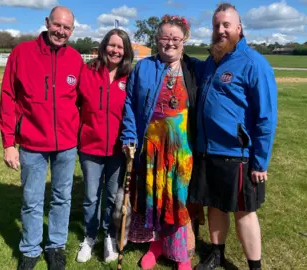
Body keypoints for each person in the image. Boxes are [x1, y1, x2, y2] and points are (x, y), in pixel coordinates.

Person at [188, 3, 278, 270]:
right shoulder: (210, 62)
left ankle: (255, 266)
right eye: (216, 26)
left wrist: (260, 162)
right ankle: (216, 253)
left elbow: (266, 117)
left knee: (244, 212)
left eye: (226, 25)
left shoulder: (254, 63)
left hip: (237, 154)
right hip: (207, 150)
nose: (220, 30)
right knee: (214, 205)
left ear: (239, 28)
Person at [0, 6, 83, 270]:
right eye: (57, 25)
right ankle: (30, 249)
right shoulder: (21, 53)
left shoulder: (75, 59)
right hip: (32, 143)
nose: (61, 31)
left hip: (66, 145)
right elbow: (8, 97)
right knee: (32, 200)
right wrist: (8, 143)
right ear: (47, 23)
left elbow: (82, 100)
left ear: (72, 30)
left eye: (66, 28)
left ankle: (55, 246)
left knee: (62, 197)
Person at [121, 15, 199, 270]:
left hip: (181, 149)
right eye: (165, 38)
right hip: (151, 148)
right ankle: (155, 246)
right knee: (153, 198)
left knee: (177, 200)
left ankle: (181, 254)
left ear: (184, 40)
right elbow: (130, 104)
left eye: (175, 38)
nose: (170, 43)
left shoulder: (195, 68)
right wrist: (130, 135)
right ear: (157, 40)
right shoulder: (144, 68)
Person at [74, 29, 134, 263]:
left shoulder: (129, 77)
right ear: (104, 46)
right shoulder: (88, 71)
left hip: (117, 150)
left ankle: (109, 235)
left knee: (111, 196)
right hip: (89, 147)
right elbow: (74, 104)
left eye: (120, 47)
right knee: (90, 196)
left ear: (126, 51)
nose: (115, 50)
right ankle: (89, 237)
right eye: (112, 45)